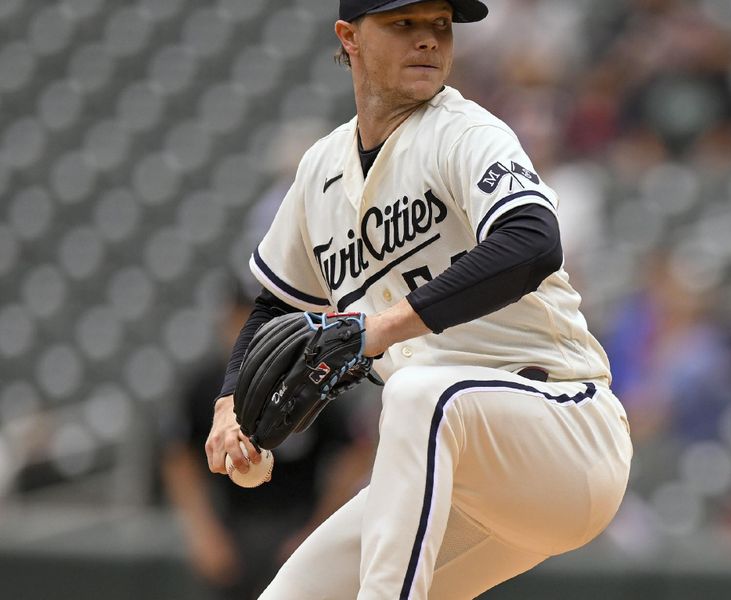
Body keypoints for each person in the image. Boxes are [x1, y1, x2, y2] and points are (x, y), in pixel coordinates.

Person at [205, 1, 632, 598]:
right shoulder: (321, 169)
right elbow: (275, 304)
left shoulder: (466, 133)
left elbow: (533, 241)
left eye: (439, 25)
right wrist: (231, 408)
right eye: (404, 24)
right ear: (348, 37)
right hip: (456, 479)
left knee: (419, 393)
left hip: (560, 435)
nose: (429, 40)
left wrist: (382, 328)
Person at [163, 287, 376, 599]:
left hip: (297, 520)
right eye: (240, 317)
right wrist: (202, 532)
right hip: (233, 525)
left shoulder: (313, 378)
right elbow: (178, 459)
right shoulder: (208, 384)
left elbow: (355, 451)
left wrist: (317, 528)